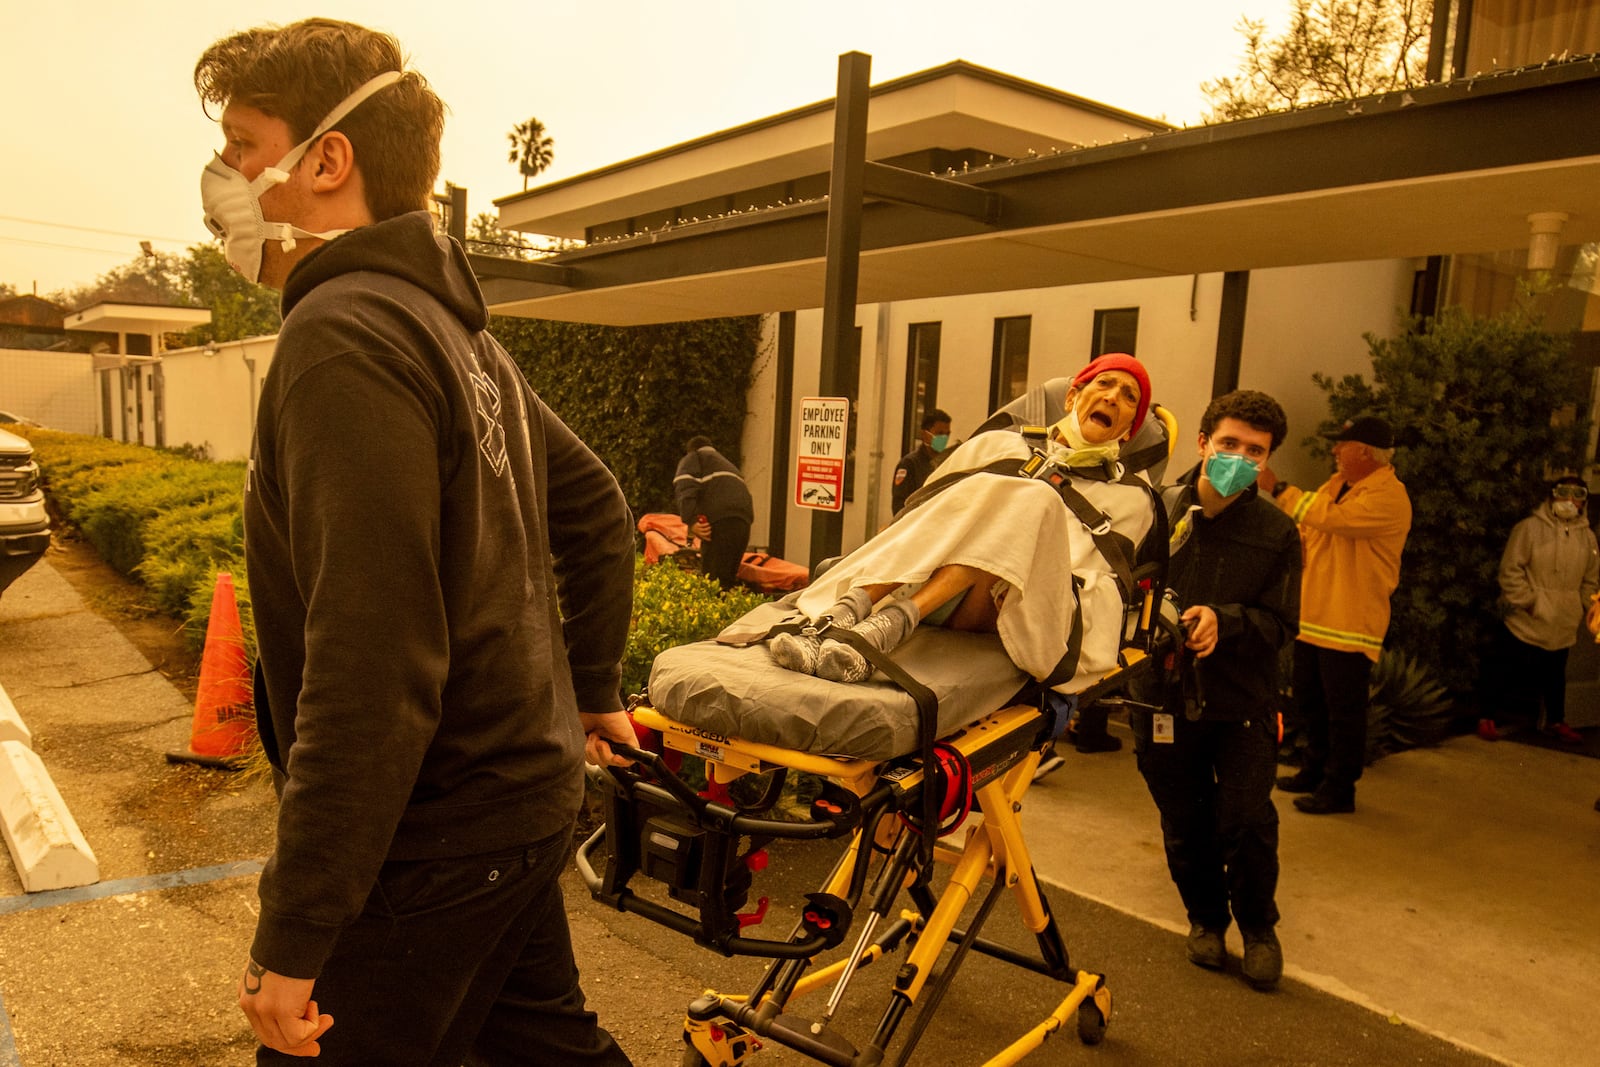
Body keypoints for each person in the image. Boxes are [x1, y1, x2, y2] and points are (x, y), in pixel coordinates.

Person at [194, 19, 637, 1065]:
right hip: (520, 799)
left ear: (327, 160)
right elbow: (598, 504)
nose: (226, 176)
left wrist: (298, 927)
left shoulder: (344, 332)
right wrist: (595, 686)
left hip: (431, 840)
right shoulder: (455, 329)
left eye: (245, 145)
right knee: (547, 1048)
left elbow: (372, 655)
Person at [770, 354, 1157, 692]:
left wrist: (1027, 567)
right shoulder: (996, 445)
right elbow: (922, 517)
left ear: (1127, 432)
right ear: (1073, 396)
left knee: (1035, 498)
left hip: (1024, 611)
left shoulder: (1132, 499)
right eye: (1105, 383)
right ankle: (844, 618)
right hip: (941, 584)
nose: (1112, 397)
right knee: (996, 501)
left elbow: (1100, 586)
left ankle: (888, 626)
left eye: (1129, 397)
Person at [1133, 390, 1300, 992]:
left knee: (1246, 819)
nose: (1238, 458)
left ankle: (1258, 929)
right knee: (1184, 820)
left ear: (1266, 461)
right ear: (1203, 442)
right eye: (1228, 444)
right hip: (1163, 701)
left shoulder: (1277, 532)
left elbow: (1284, 625)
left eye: (1254, 451)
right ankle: (1206, 920)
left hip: (1242, 704)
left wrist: (1223, 621)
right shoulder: (1155, 511)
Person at [1259, 415, 1412, 816]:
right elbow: (1314, 528)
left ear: (1363, 451)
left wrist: (1278, 488)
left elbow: (1334, 520)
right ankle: (1313, 771)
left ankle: (1340, 789)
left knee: (1344, 713)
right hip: (1315, 618)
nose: (1334, 451)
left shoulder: (1389, 496)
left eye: (1341, 445)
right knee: (1312, 703)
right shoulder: (1338, 485)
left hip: (1350, 625)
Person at [1477, 477, 1598, 744]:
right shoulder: (1529, 529)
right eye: (1563, 493)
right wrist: (1529, 601)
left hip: (1563, 619)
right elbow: (1511, 570)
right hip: (1527, 616)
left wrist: (1585, 608)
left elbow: (1590, 579)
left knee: (1555, 673)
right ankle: (1487, 716)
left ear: (1584, 501)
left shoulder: (1587, 538)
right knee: (1506, 666)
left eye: (1577, 495)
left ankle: (1556, 720)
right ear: (1552, 496)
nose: (1569, 501)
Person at [673, 436, 754, 591]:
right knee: (727, 580)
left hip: (720, 523)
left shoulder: (694, 458)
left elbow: (684, 487)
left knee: (712, 582)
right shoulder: (730, 467)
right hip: (743, 523)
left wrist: (692, 520)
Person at [891, 408, 953, 514]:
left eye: (947, 434)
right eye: (939, 433)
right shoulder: (909, 464)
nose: (944, 438)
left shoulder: (947, 462)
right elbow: (899, 504)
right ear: (925, 434)